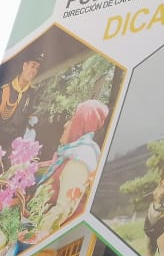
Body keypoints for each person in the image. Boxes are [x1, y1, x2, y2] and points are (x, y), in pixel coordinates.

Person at [34, 100, 110, 233]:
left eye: (73, 118)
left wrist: (30, 233)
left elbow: (63, 210)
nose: (65, 124)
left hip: (42, 237)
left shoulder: (80, 160)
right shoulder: (71, 153)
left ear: (81, 123)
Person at [0, 53, 42, 150]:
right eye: (33, 66)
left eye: (37, 68)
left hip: (11, 146)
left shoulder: (32, 94)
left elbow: (26, 121)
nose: (34, 71)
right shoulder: (4, 88)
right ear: (24, 66)